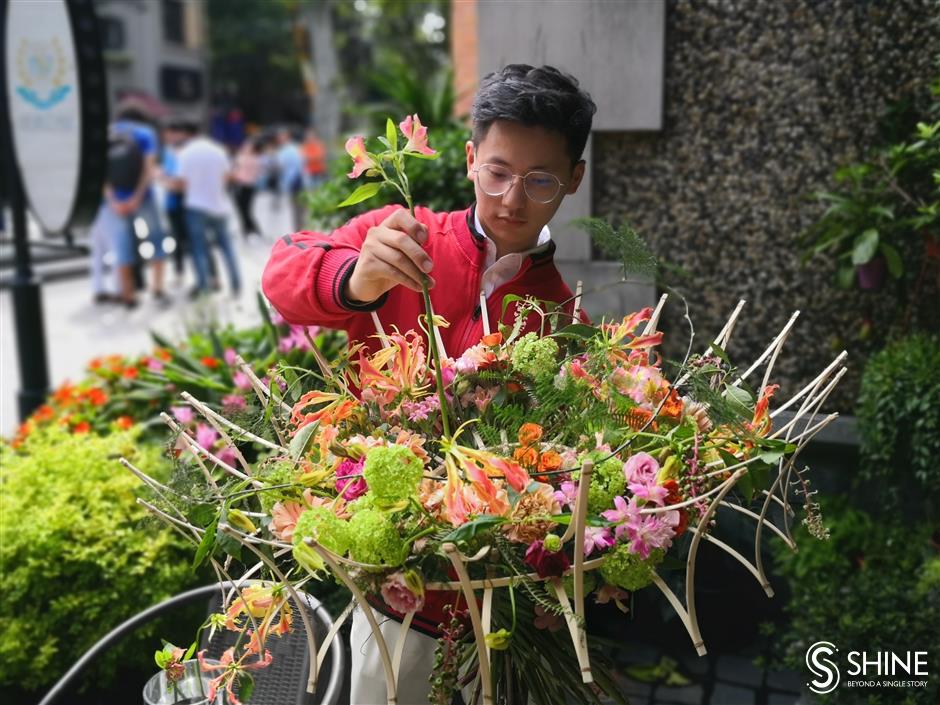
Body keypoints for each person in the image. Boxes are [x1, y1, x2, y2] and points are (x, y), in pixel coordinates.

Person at [262, 64, 595, 705]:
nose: (512, 199)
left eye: (541, 179)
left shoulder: (565, 319)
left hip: (501, 611)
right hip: (394, 596)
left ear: (574, 180)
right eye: (497, 171)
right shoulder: (402, 237)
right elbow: (284, 273)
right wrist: (357, 282)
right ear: (471, 159)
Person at [92, 103, 169, 308]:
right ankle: (158, 287)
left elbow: (99, 173)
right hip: (144, 197)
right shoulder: (145, 133)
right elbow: (149, 169)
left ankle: (128, 294)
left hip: (114, 201)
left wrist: (114, 201)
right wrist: (137, 197)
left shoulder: (106, 133)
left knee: (121, 245)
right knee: (157, 239)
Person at [173, 120, 242, 299]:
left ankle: (204, 287)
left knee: (199, 249)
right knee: (227, 247)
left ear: (185, 134)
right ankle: (236, 284)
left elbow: (181, 183)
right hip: (219, 205)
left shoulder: (185, 153)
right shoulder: (218, 150)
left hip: (196, 206)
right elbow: (228, 176)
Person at [231, 137, 264, 239]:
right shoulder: (254, 159)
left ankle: (250, 229)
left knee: (244, 210)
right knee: (245, 210)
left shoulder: (248, 159)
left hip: (243, 186)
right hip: (247, 186)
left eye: (247, 146)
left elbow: (237, 171)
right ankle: (249, 229)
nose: (245, 147)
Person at [274, 126, 306, 231]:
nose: (279, 138)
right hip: (292, 181)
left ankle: (300, 231)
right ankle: (298, 231)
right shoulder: (284, 149)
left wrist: (287, 182)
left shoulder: (292, 149)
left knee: (298, 209)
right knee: (296, 209)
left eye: (281, 136)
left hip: (296, 181)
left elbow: (297, 167)